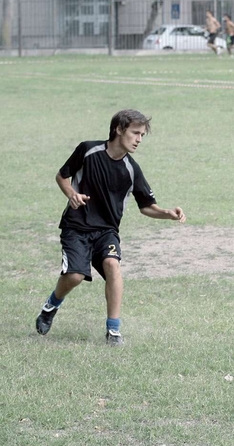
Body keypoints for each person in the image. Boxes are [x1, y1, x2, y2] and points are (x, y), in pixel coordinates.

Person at [35, 109, 187, 346]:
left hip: (107, 231)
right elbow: (62, 176)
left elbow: (146, 205)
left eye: (142, 135)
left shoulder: (131, 169)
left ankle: (113, 331)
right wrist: (71, 194)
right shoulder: (88, 150)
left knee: (112, 265)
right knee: (74, 276)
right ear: (119, 129)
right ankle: (50, 306)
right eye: (135, 133)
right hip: (76, 226)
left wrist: (167, 213)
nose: (138, 139)